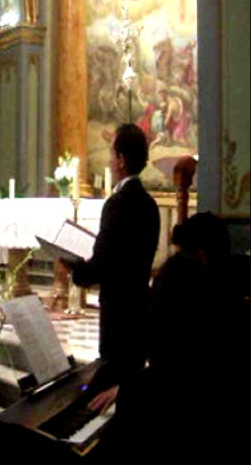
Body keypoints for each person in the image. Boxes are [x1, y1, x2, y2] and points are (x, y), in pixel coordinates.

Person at [87, 212, 247, 463]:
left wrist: (133, 390)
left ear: (202, 257)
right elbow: (178, 366)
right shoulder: (234, 303)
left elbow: (177, 374)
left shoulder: (184, 291)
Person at [62, 123, 160, 409]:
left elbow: (102, 265)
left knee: (110, 393)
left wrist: (74, 268)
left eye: (111, 151)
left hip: (118, 315)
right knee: (131, 389)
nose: (108, 158)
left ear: (120, 159)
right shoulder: (150, 206)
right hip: (140, 307)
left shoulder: (117, 204)